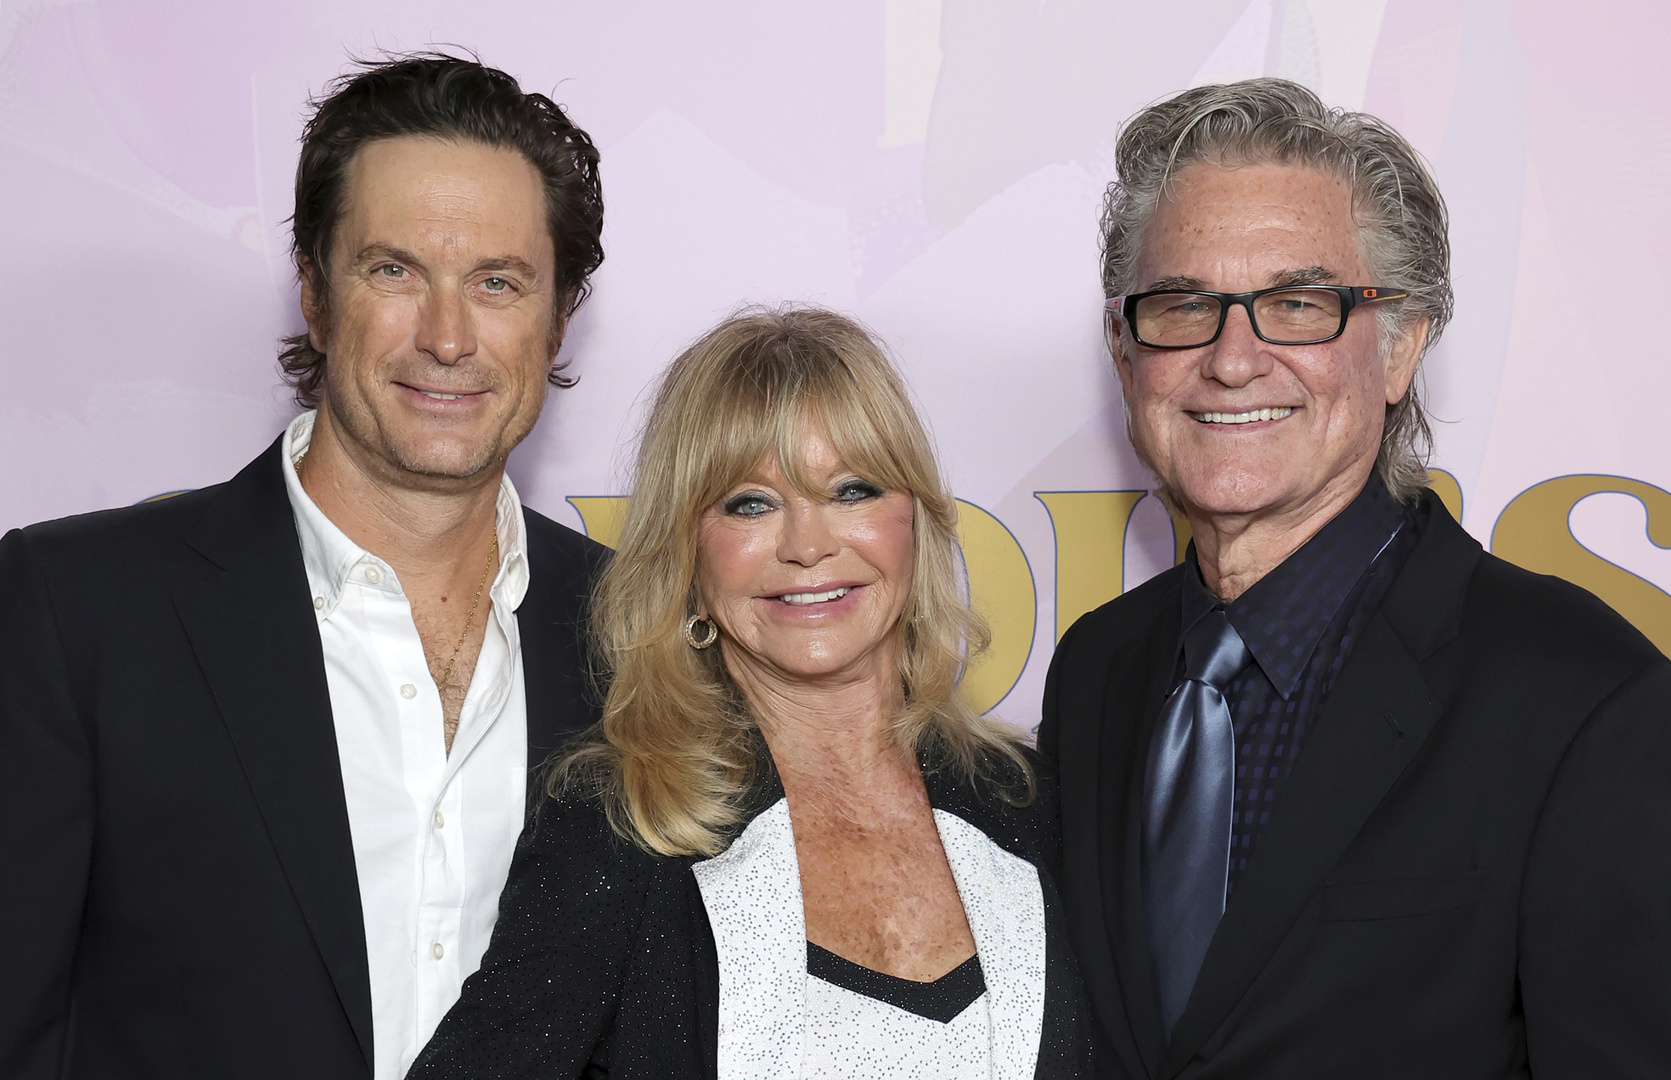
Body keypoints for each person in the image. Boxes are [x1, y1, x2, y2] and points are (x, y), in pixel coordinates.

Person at [1040, 78, 1671, 1079]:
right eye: (1183, 305)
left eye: (1296, 306)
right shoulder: (1095, 673)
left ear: (1400, 348)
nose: (1232, 360)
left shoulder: (1581, 696)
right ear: (1125, 354)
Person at [0, 54, 608, 1080]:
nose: (447, 336)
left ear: (556, 319)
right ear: (317, 296)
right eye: (394, 271)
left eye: (497, 283)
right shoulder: (78, 613)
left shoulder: (636, 631)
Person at [410, 306, 1093, 1078]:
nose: (807, 545)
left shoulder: (1031, 804)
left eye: (852, 490)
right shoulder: (623, 825)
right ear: (687, 554)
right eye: (751, 504)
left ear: (915, 523)